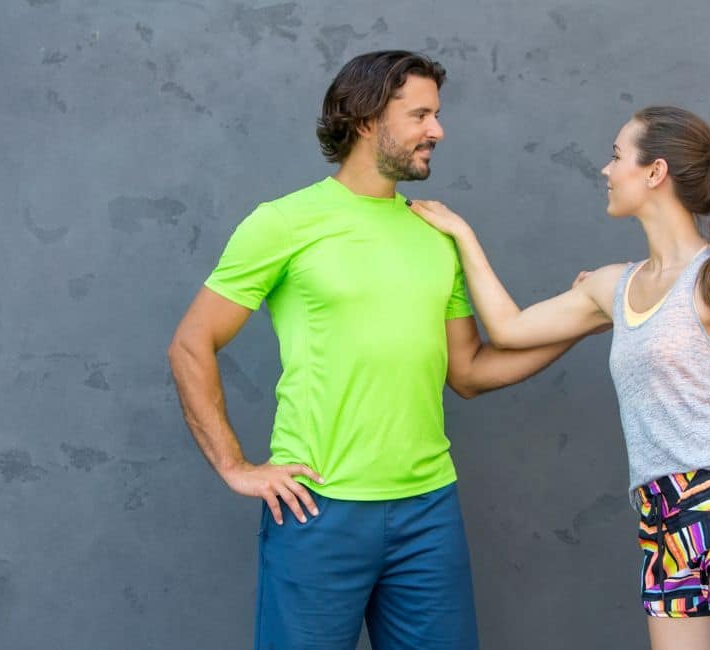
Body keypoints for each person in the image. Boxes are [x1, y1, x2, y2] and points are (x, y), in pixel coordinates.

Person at [167, 50, 592, 650]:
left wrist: (577, 323)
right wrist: (235, 466)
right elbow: (192, 341)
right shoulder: (284, 222)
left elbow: (468, 371)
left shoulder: (433, 233)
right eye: (420, 115)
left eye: (436, 115)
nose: (437, 131)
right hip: (318, 509)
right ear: (366, 120)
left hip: (428, 511)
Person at [409, 105, 710, 649]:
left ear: (655, 172)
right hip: (659, 518)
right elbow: (507, 329)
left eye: (616, 155)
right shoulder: (610, 288)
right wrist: (461, 233)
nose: (605, 169)